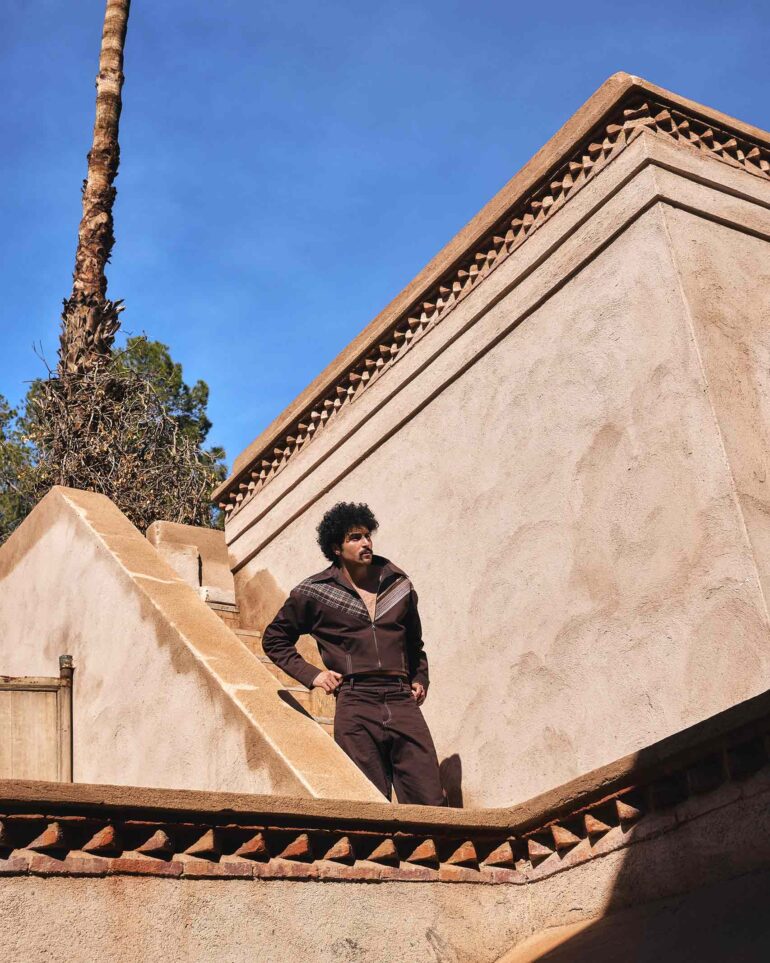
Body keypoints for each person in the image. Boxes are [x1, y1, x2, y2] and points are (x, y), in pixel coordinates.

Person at [262, 501, 445, 806]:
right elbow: (275, 639)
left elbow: (414, 644)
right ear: (336, 547)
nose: (365, 543)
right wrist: (313, 675)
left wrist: (420, 677)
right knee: (367, 801)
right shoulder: (315, 592)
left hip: (401, 699)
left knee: (430, 797)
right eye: (354, 538)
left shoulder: (399, 585)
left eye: (367, 536)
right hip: (355, 701)